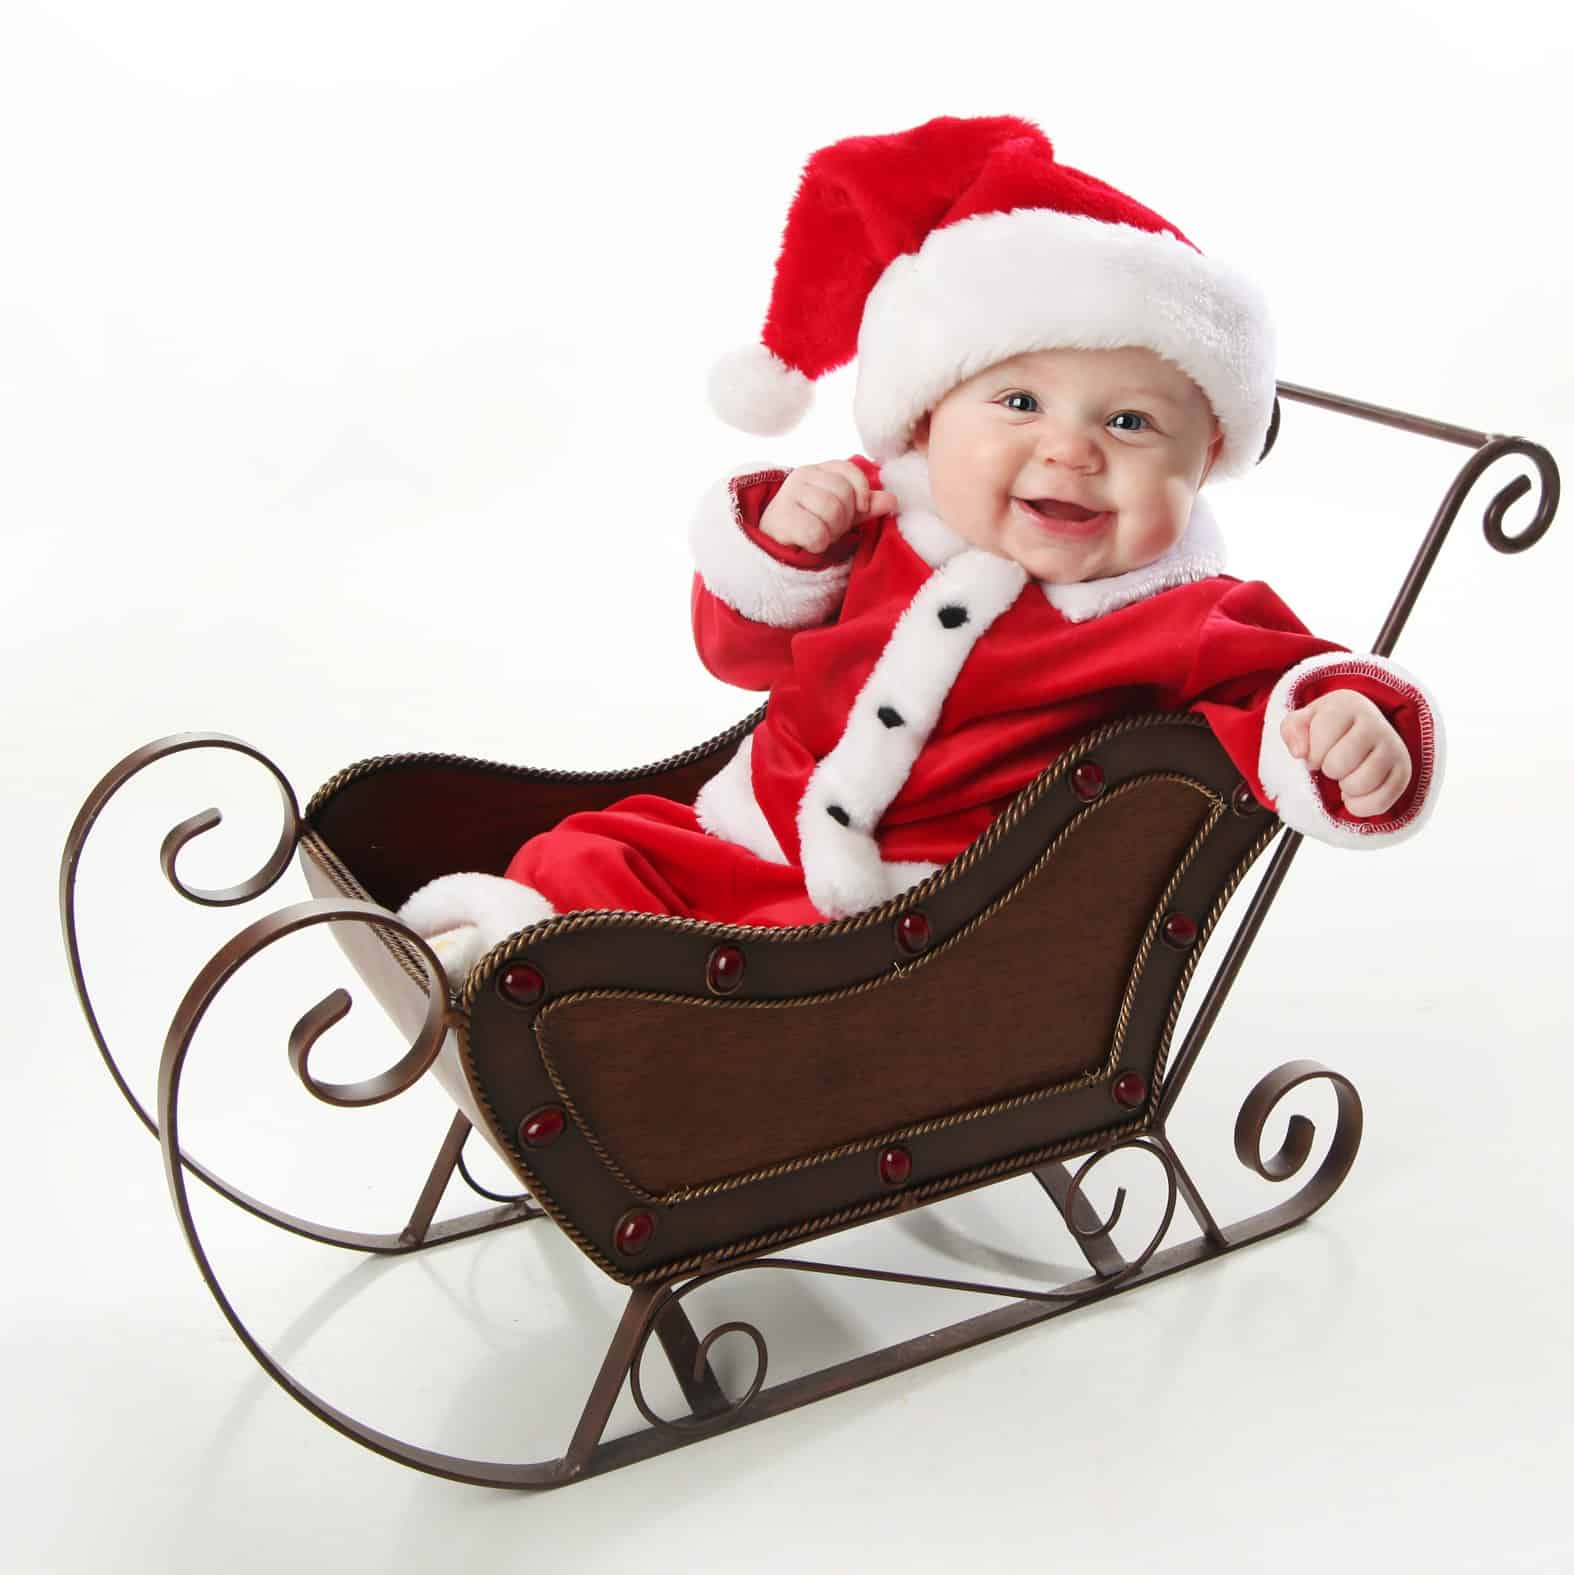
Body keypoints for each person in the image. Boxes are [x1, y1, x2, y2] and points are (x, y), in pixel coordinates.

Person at [399, 114, 1441, 983]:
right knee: (588, 850)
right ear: (927, 418)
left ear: (1203, 457)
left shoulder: (1179, 613)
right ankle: (500, 968)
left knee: (742, 985)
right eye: (1018, 401)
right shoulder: (878, 519)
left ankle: (577, 1027)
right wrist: (786, 547)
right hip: (750, 830)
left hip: (926, 926)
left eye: (1130, 424)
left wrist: (1346, 721)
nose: (1069, 450)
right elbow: (739, 655)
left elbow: (1288, 686)